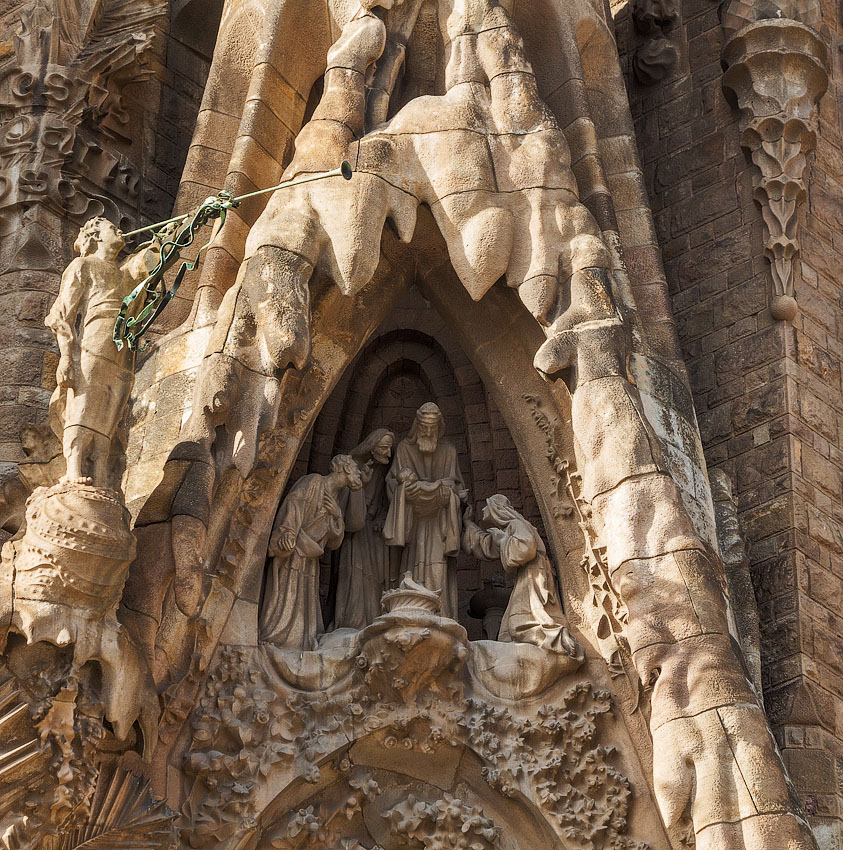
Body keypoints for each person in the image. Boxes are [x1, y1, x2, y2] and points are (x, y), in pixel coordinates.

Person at [45, 217, 159, 488]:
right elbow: (60, 315)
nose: (119, 230)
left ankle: (99, 471)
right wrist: (66, 357)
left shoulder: (126, 270)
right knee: (84, 401)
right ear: (95, 236)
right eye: (111, 228)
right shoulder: (83, 265)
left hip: (123, 349)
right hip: (94, 343)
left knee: (112, 408)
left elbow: (156, 260)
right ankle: (73, 468)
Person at [259, 455, 362, 650]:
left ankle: (298, 642)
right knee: (286, 597)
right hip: (293, 551)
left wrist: (337, 515)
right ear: (346, 468)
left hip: (310, 558)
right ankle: (276, 637)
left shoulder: (335, 499)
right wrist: (288, 532)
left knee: (302, 599)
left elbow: (334, 542)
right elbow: (294, 504)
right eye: (356, 468)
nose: (359, 473)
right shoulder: (314, 482)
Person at [462, 494, 582, 657]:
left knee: (522, 622)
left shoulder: (517, 524)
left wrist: (503, 541)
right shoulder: (511, 528)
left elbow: (526, 549)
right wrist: (468, 523)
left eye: (487, 505)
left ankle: (562, 645)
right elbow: (487, 544)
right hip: (528, 576)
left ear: (497, 509)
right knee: (514, 626)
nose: (483, 509)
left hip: (533, 575)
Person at [384, 403, 466, 619]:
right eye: (424, 427)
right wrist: (403, 488)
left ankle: (442, 617)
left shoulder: (448, 451)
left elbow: (457, 488)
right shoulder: (404, 449)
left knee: (438, 570)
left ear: (439, 428)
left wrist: (449, 493)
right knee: (411, 567)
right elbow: (392, 484)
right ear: (417, 426)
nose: (429, 433)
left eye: (433, 428)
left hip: (439, 523)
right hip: (413, 525)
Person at [334, 428, 396, 629]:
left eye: (389, 448)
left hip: (374, 534)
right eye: (384, 448)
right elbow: (341, 503)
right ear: (371, 447)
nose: (388, 453)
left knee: (374, 578)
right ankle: (353, 620)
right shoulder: (354, 467)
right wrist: (361, 484)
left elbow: (388, 503)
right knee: (355, 575)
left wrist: (382, 517)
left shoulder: (385, 471)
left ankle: (373, 618)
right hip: (355, 533)